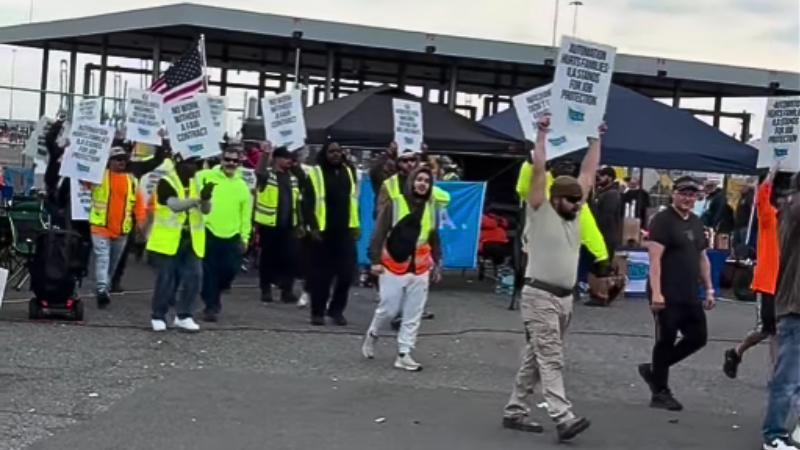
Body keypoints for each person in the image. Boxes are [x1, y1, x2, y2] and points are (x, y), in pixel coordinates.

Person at [502, 115, 604, 442]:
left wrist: (595, 139)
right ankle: (563, 416)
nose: (577, 204)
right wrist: (541, 136)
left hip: (564, 298)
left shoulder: (574, 212)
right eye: (571, 199)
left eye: (579, 199)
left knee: (537, 354)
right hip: (539, 295)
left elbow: (587, 174)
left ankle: (515, 409)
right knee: (551, 356)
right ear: (555, 196)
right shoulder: (540, 208)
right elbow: (537, 171)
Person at [638, 176, 715, 411]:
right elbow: (654, 259)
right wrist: (657, 293)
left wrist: (709, 288)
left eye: (692, 195)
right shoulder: (663, 220)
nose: (688, 198)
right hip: (667, 293)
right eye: (683, 193)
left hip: (690, 292)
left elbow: (702, 257)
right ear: (674, 194)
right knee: (666, 339)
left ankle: (655, 370)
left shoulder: (695, 221)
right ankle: (660, 392)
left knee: (698, 337)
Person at [363, 165, 442, 371]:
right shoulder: (395, 204)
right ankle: (373, 333)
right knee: (388, 310)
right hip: (394, 266)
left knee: (413, 314)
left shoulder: (432, 208)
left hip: (420, 269)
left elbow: (434, 237)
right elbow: (379, 233)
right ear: (411, 182)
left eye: (426, 181)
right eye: (419, 179)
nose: (422, 184)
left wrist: (437, 263)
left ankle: (404, 353)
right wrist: (374, 260)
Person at [723, 163, 782, 379]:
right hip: (769, 282)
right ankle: (736, 352)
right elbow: (762, 199)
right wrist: (771, 175)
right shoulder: (770, 219)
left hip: (786, 284)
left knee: (780, 330)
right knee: (766, 329)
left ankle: (778, 376)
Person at [147, 154, 214, 332]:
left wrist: (206, 198)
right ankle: (158, 315)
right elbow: (175, 205)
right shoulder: (166, 182)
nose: (193, 168)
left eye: (196, 164)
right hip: (168, 240)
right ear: (179, 164)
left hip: (192, 239)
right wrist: (198, 200)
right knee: (166, 280)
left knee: (195, 278)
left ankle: (184, 315)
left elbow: (206, 211)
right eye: (189, 163)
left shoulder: (197, 183)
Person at [762, 172, 800, 450]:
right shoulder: (795, 210)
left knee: (793, 377)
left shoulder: (790, 209)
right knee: (787, 377)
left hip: (793, 304)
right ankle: (774, 433)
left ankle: (790, 431)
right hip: (796, 306)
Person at [305, 141, 360, 326]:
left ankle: (336, 310)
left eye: (338, 151)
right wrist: (312, 227)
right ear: (325, 154)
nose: (336, 155)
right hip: (323, 232)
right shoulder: (315, 173)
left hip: (345, 231)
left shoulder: (348, 172)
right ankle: (317, 311)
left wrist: (355, 226)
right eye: (332, 152)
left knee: (346, 274)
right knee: (322, 276)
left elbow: (352, 201)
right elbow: (307, 203)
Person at [87, 146, 147, 308]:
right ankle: (101, 290)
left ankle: (104, 286)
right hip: (100, 227)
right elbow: (83, 179)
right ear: (109, 161)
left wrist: (142, 224)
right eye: (118, 159)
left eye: (124, 159)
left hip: (122, 231)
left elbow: (138, 205)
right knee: (102, 259)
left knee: (113, 264)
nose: (121, 162)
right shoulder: (99, 177)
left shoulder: (132, 181)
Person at [197, 145, 252, 322]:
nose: (230, 163)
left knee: (229, 270)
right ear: (221, 159)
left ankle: (217, 292)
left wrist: (245, 237)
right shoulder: (204, 176)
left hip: (232, 234)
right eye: (227, 159)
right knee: (209, 272)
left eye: (235, 161)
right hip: (209, 231)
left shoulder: (242, 185)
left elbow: (246, 214)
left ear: (240, 162)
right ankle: (211, 305)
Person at [254, 144, 301, 304]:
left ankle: (287, 290)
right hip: (269, 225)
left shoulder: (293, 178)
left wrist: (299, 223)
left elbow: (297, 201)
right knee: (268, 258)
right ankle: (265, 289)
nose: (290, 161)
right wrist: (265, 154)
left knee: (291, 258)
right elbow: (259, 171)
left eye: (291, 158)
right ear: (277, 159)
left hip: (289, 225)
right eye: (286, 158)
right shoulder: (268, 176)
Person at [593, 166, 623, 261]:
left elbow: (607, 216)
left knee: (602, 266)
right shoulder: (601, 192)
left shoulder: (612, 194)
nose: (599, 179)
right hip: (601, 235)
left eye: (602, 176)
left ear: (609, 178)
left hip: (606, 236)